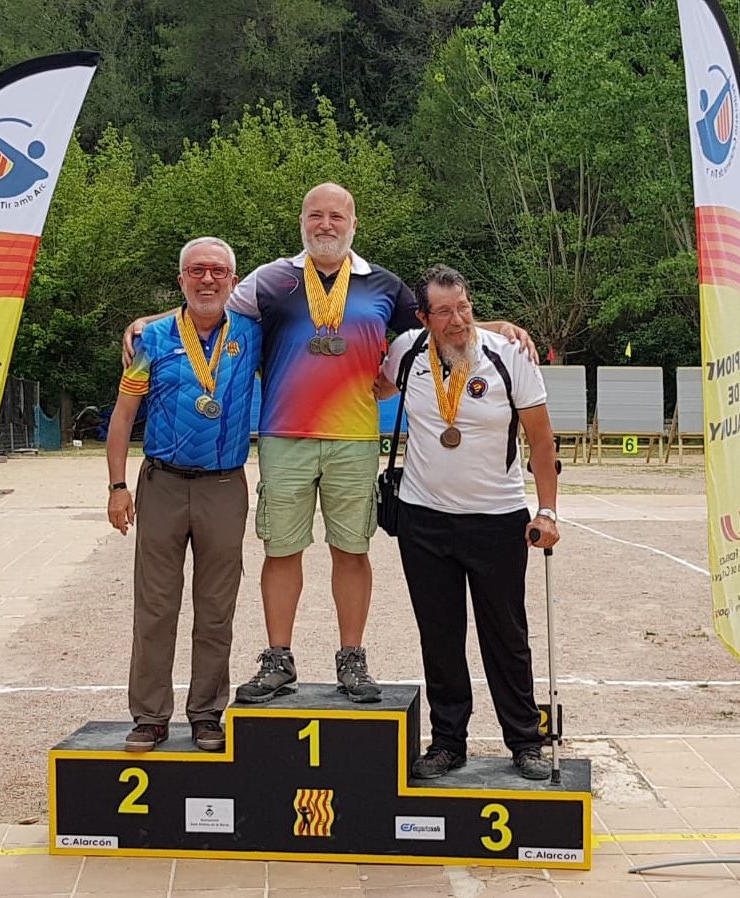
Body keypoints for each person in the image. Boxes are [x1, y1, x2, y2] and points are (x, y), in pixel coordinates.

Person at [124, 183, 537, 706]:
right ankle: (278, 657)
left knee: (352, 549)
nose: (326, 225)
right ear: (301, 221)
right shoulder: (272, 279)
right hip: (284, 435)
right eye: (315, 215)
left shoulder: (381, 284)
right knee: (282, 549)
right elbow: (207, 306)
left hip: (353, 437)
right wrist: (149, 323)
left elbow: (442, 322)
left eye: (336, 216)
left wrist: (495, 325)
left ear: (353, 224)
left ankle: (352, 658)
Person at [375, 265, 559, 780]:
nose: (457, 321)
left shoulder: (510, 355)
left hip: (497, 519)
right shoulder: (407, 351)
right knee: (439, 635)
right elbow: (375, 389)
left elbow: (542, 440)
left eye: (465, 308)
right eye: (445, 312)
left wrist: (546, 510)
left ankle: (525, 740)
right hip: (423, 519)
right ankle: (448, 742)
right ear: (423, 316)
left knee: (506, 634)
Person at [107, 237, 261, 753]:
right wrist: (117, 486)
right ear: (181, 280)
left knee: (216, 607)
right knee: (155, 605)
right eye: (197, 270)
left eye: (218, 271)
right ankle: (150, 715)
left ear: (234, 281)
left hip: (224, 485)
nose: (208, 279)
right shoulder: (151, 338)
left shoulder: (252, 335)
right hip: (163, 484)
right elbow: (123, 415)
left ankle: (206, 714)